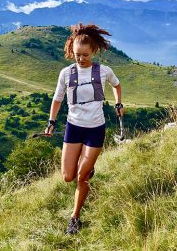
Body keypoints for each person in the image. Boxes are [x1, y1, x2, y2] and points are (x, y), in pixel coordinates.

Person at [45, 23, 124, 235]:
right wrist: (51, 122)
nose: (81, 59)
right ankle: (86, 166)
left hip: (95, 129)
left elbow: (117, 85)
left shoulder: (104, 72)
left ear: (94, 51)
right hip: (73, 128)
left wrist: (118, 103)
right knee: (67, 177)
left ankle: (75, 217)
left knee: (81, 178)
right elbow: (57, 99)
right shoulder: (66, 73)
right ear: (72, 50)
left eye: (85, 55)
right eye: (77, 55)